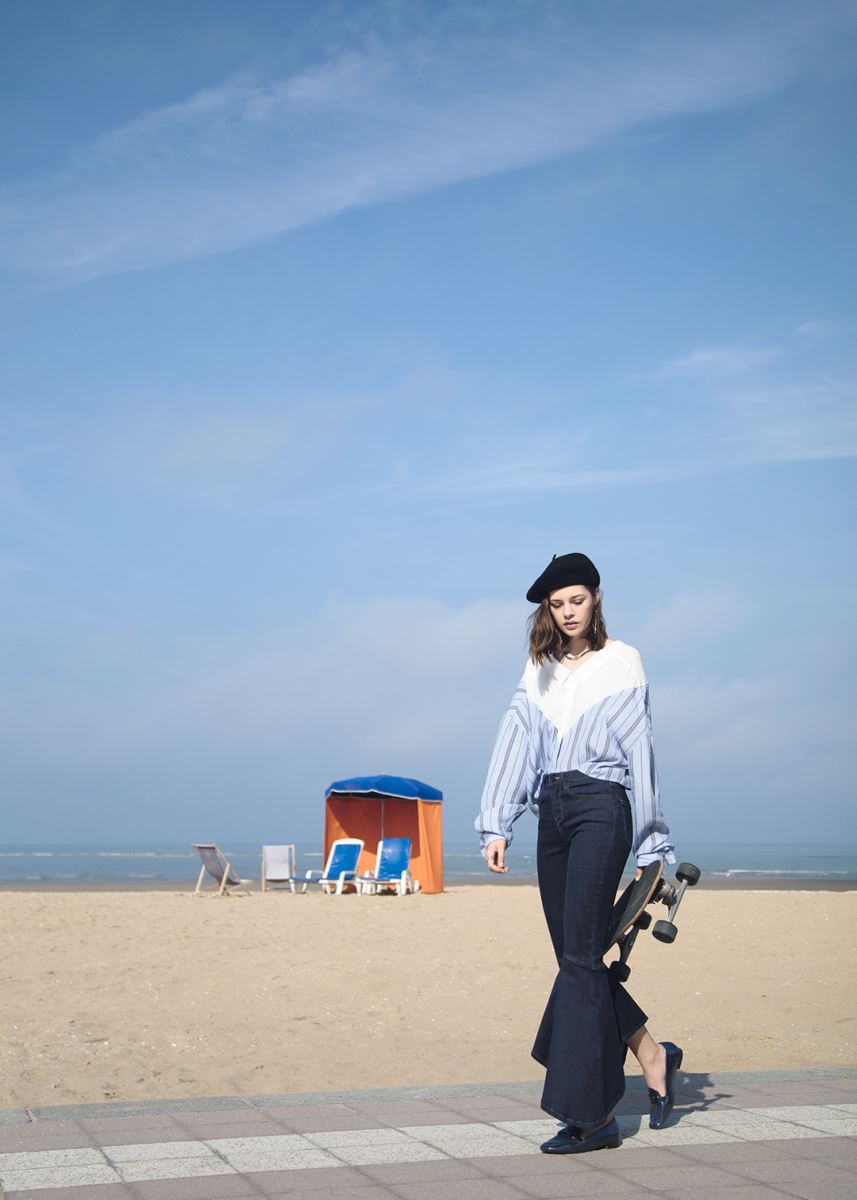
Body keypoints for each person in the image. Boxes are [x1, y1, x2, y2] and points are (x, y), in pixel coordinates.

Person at [475, 552, 683, 1154]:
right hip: (553, 812)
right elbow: (515, 740)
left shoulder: (623, 661)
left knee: (581, 960)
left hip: (601, 807)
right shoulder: (538, 669)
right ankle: (652, 1053)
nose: (568, 612)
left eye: (577, 600)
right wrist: (497, 823)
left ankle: (593, 1119)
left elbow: (641, 750)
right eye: (557, 604)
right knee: (576, 958)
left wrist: (652, 840)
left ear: (596, 599)